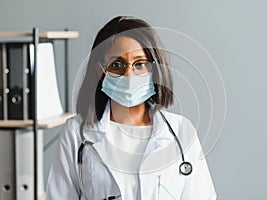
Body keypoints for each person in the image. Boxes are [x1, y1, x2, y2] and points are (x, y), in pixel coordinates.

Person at [46, 16, 217, 200]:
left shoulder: (182, 132)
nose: (129, 74)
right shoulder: (76, 133)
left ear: (154, 69)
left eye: (140, 64)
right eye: (117, 65)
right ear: (101, 72)